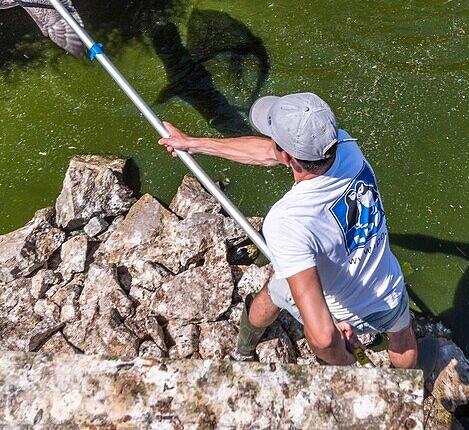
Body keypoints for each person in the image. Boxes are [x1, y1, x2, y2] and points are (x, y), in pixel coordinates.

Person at [159, 92, 417, 368]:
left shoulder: (287, 222)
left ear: (288, 156)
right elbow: (267, 153)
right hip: (388, 290)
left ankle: (244, 350)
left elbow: (323, 339)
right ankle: (408, 393)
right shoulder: (346, 146)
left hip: (339, 310)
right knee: (403, 336)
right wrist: (193, 144)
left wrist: (349, 366)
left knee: (273, 293)